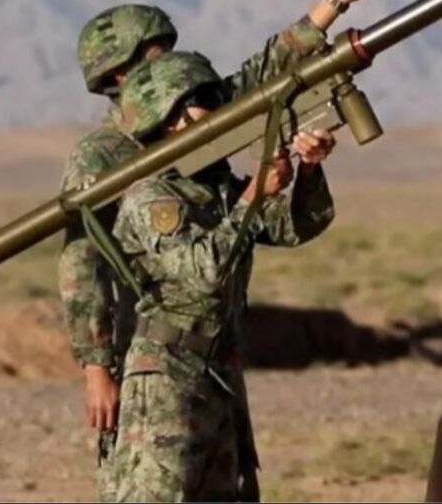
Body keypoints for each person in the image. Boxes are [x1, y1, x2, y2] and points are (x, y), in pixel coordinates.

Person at [56, 0, 377, 499]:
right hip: (153, 344)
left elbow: (259, 77)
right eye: (155, 57)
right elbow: (82, 262)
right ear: (118, 74)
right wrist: (97, 365)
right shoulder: (105, 157)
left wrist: (332, 4)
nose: (172, 65)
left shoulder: (198, 126)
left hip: (214, 352)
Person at [102, 50, 338, 502]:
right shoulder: (153, 197)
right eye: (205, 98)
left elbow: (295, 226)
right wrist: (252, 196)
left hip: (219, 371)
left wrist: (308, 170)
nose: (219, 106)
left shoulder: (216, 187)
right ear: (171, 116)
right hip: (168, 377)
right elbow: (203, 272)